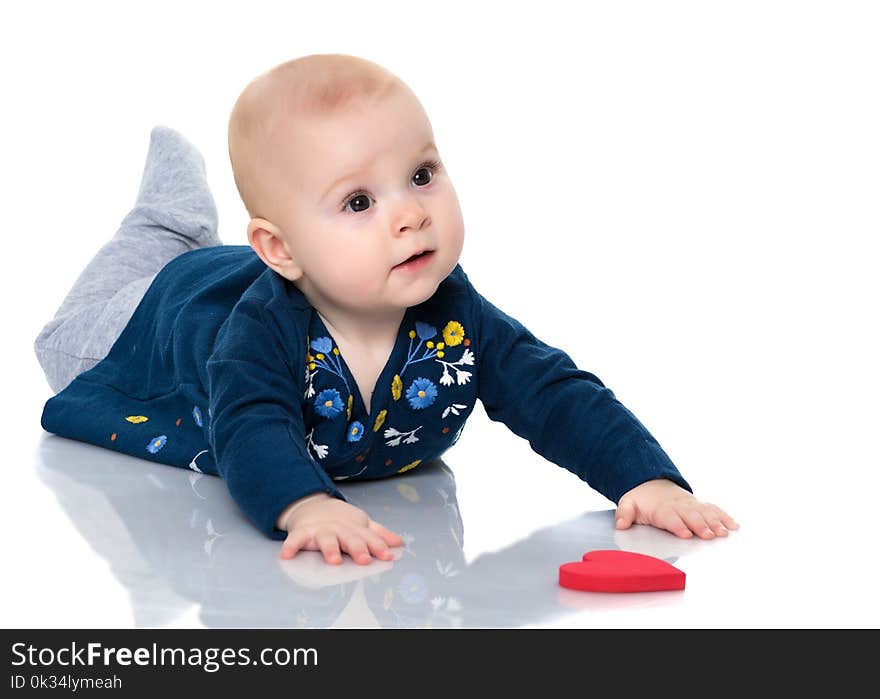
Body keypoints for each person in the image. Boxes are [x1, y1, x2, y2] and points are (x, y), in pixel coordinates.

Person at [35, 53, 738, 566]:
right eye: (360, 202)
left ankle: (193, 227)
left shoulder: (456, 313)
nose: (409, 215)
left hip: (246, 264)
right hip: (156, 322)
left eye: (422, 176)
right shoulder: (260, 332)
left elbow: (554, 391)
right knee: (70, 335)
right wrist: (305, 502)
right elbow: (250, 426)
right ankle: (168, 214)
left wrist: (644, 476)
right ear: (281, 249)